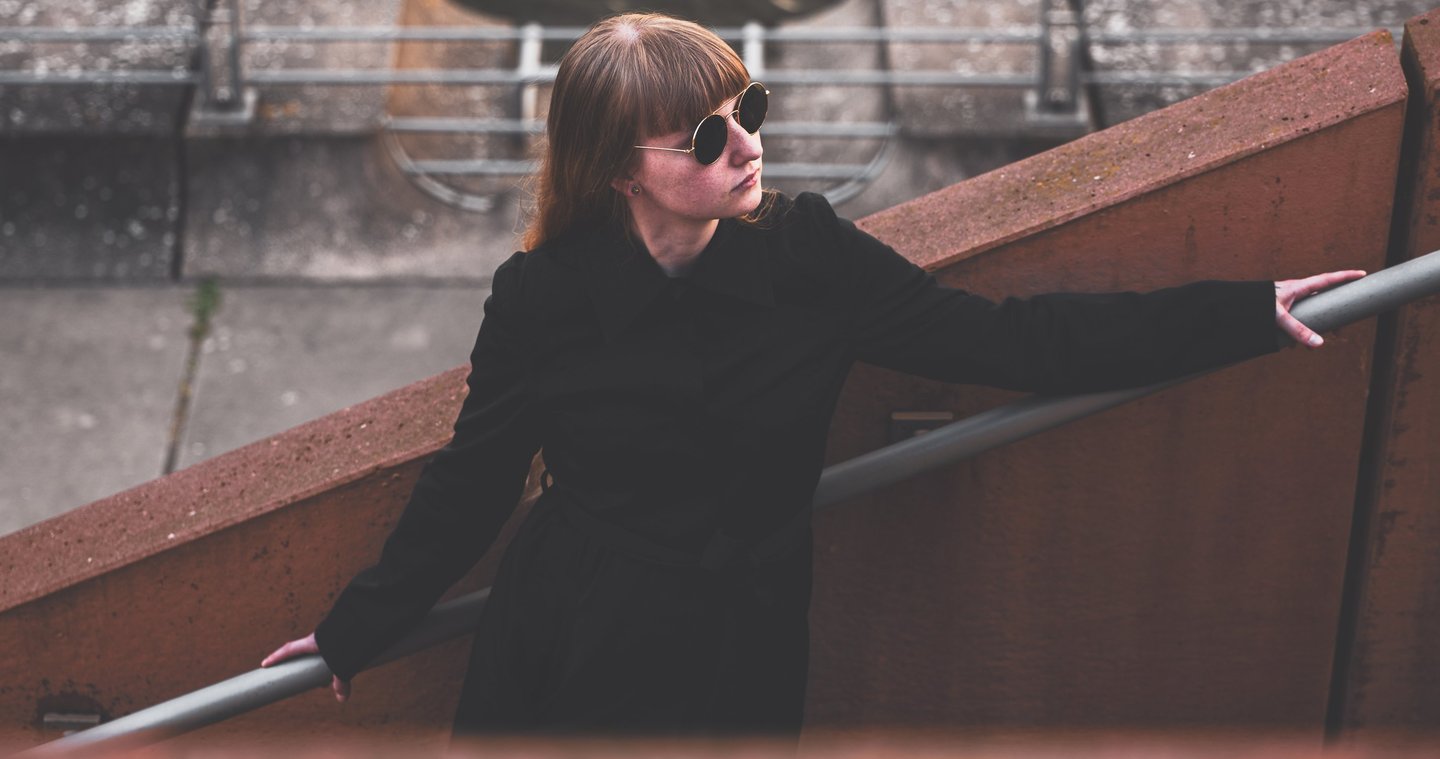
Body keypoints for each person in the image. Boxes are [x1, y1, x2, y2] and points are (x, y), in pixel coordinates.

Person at [261, 11, 1364, 748]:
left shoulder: (808, 255)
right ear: (613, 171)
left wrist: (1238, 313)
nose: (743, 146)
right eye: (702, 135)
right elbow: (475, 477)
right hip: (583, 637)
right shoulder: (543, 295)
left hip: (743, 638)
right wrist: (357, 628)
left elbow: (1008, 340)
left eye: (750, 111)